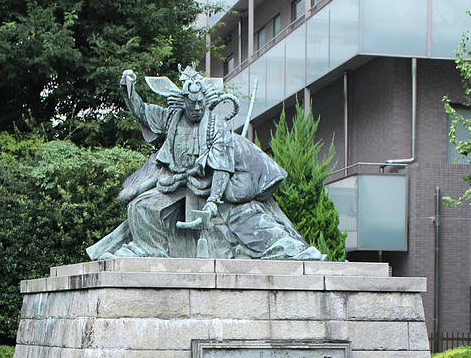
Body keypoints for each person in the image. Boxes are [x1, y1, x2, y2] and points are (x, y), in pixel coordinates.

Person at [86, 65, 325, 261]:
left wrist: (212, 202)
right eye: (192, 103)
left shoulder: (217, 125)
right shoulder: (172, 118)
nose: (197, 107)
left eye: (201, 102)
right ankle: (151, 250)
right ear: (184, 102)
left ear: (206, 100)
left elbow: (222, 166)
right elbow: (144, 113)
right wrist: (129, 93)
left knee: (245, 220)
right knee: (141, 206)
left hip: (213, 187)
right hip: (178, 183)